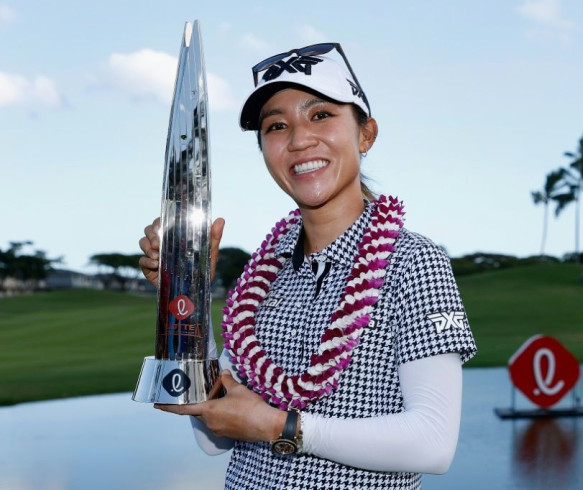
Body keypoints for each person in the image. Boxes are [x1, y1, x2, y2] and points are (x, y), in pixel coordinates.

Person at [138, 42, 476, 490]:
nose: (299, 139)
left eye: (320, 115)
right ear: (263, 150)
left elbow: (433, 443)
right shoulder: (261, 277)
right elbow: (214, 439)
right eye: (276, 126)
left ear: (366, 134)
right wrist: (187, 297)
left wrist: (282, 427)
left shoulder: (414, 262)